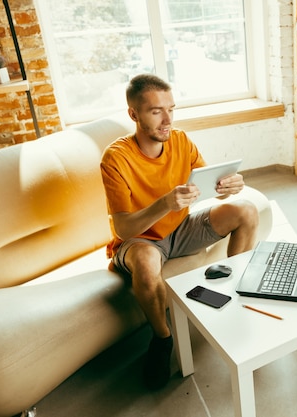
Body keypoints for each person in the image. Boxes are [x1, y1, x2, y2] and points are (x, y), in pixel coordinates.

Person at [100, 74, 259, 390]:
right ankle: (162, 339)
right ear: (134, 114)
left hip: (181, 228)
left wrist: (230, 187)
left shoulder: (181, 140)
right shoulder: (115, 158)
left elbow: (208, 187)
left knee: (247, 210)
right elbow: (123, 227)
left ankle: (239, 296)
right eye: (156, 111)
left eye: (171, 108)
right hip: (140, 239)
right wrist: (164, 203)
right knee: (145, 264)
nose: (167, 119)